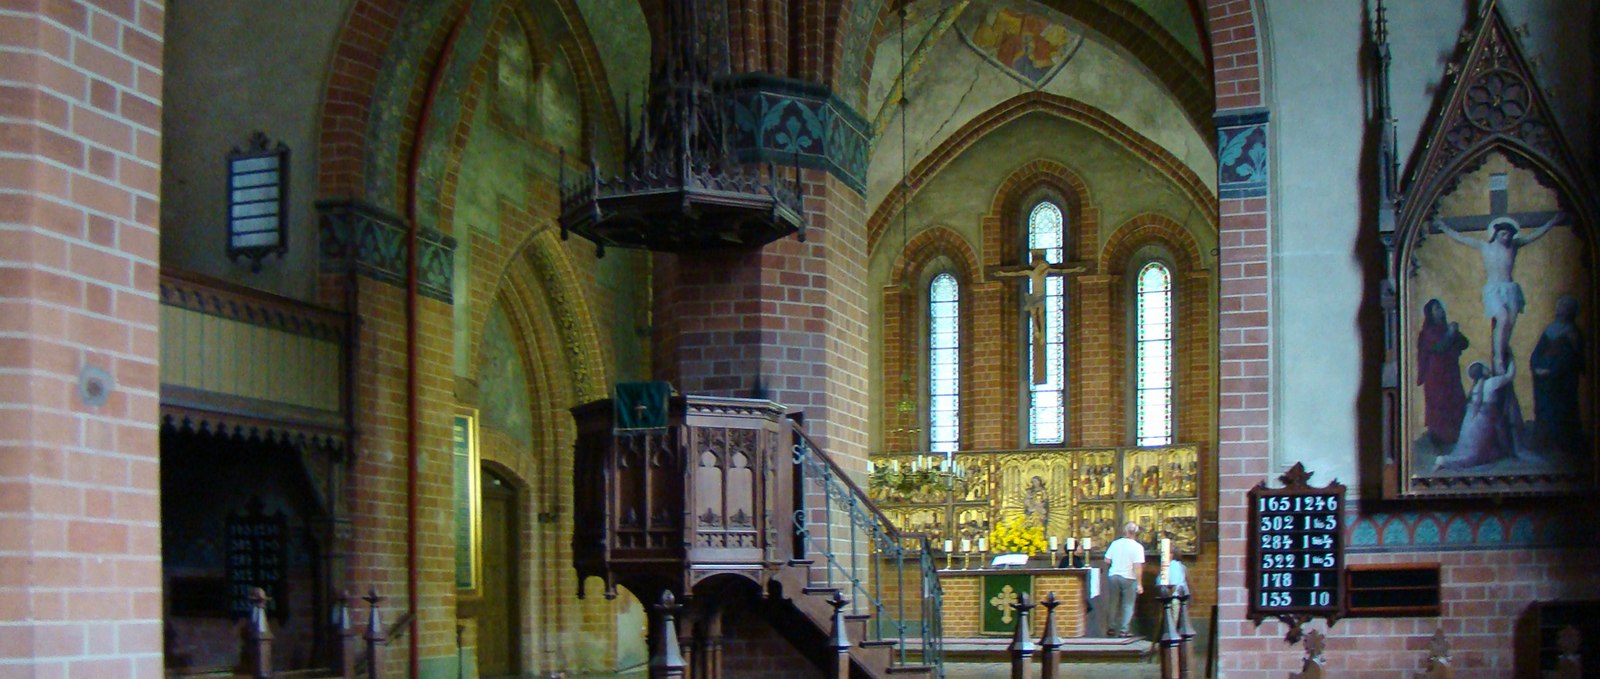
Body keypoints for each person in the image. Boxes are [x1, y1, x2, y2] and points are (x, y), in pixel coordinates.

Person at [1433, 213, 1560, 372]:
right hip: (1494, 289)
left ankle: (1503, 351)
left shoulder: (1514, 245)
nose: (1506, 237)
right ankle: (1499, 358)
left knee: (1509, 325)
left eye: (1509, 234)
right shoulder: (1485, 247)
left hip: (1510, 288)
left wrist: (1552, 221)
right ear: (1496, 234)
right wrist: (1444, 227)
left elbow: (1534, 236)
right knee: (1503, 317)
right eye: (1503, 234)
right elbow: (1461, 238)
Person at [1435, 360, 1517, 470]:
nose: (1488, 368)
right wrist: (1512, 359)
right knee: (1474, 454)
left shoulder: (1475, 388)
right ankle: (1443, 461)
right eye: (1485, 367)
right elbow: (1510, 375)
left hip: (1474, 420)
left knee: (1476, 448)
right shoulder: (1492, 383)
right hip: (1485, 420)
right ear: (1482, 371)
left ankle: (1444, 462)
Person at [1531, 295, 1585, 455]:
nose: (1559, 309)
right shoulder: (1550, 329)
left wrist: (1552, 371)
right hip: (1544, 381)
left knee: (1563, 412)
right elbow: (1537, 353)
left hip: (1562, 382)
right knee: (1544, 411)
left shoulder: (1573, 333)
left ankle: (1564, 445)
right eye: (1559, 306)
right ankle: (1545, 444)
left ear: (1570, 311)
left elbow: (1571, 358)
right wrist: (1536, 367)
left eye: (1564, 307)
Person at [1417, 299, 1470, 445]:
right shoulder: (1429, 332)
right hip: (1435, 375)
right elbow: (1439, 347)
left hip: (1451, 373)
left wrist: (1454, 333)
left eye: (1441, 308)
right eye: (1436, 309)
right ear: (1430, 314)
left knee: (1455, 401)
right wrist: (1450, 334)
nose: (1440, 311)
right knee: (1439, 404)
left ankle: (1455, 437)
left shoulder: (1446, 328)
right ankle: (1439, 439)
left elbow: (1465, 344)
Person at [1103, 521, 1145, 637]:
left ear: (1125, 531)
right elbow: (1137, 566)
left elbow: (1107, 560)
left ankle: (1111, 628)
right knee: (1128, 604)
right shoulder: (1137, 547)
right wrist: (1139, 584)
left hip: (1114, 575)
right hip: (1129, 577)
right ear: (1136, 533)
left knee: (1113, 602)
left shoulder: (1115, 543)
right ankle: (1124, 630)